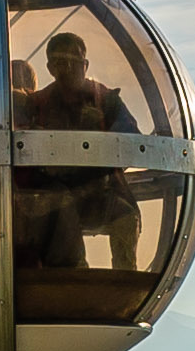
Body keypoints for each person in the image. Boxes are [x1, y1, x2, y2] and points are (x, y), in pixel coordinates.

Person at [15, 26, 139, 281]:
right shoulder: (37, 104)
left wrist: (103, 142)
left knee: (126, 216)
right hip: (53, 196)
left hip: (99, 191)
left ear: (86, 64)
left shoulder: (106, 101)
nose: (68, 69)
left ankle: (126, 284)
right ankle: (74, 280)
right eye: (60, 62)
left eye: (74, 62)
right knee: (63, 209)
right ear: (49, 68)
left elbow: (132, 143)